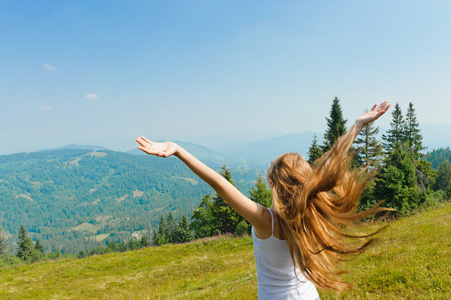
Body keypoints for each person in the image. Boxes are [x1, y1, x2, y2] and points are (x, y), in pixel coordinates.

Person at [136, 101, 391, 300]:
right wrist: (356, 126)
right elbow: (330, 163)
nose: (269, 163)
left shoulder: (266, 222)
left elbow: (220, 184)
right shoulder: (306, 213)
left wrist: (179, 150)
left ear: (272, 182)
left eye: (271, 164)